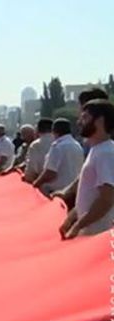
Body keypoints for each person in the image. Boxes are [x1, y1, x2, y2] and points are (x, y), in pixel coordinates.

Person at [59, 100, 114, 239]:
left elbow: (106, 199)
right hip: (89, 232)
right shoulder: (96, 150)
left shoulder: (106, 153)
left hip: (97, 236)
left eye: (85, 117)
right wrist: (71, 218)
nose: (79, 122)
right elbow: (88, 194)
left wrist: (78, 226)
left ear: (99, 120)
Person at [50, 88, 110, 209]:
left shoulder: (105, 144)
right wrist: (66, 192)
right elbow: (86, 172)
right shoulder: (94, 142)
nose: (79, 119)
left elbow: (107, 196)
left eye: (84, 114)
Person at [32, 119, 84, 196]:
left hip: (54, 192)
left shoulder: (57, 146)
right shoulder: (77, 145)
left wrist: (35, 184)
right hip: (72, 191)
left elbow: (50, 173)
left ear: (54, 131)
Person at [23, 118, 54, 183]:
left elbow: (31, 170)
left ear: (38, 130)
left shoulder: (36, 145)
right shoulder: (62, 142)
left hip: (44, 186)